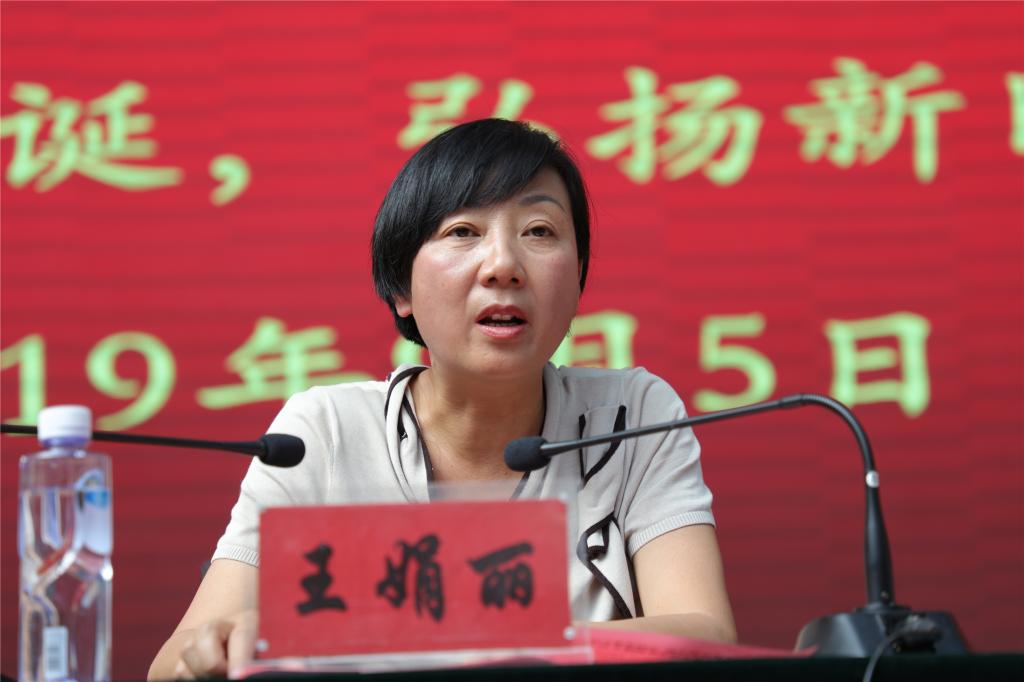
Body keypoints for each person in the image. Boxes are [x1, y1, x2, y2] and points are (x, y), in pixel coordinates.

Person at [149, 119, 735, 679]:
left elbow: (706, 635)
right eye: (463, 232)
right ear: (401, 287)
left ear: (577, 276)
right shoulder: (324, 433)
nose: (503, 265)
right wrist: (221, 649)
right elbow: (172, 661)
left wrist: (462, 643)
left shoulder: (631, 418)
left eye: (539, 231)